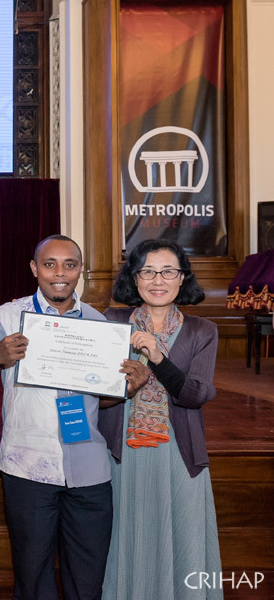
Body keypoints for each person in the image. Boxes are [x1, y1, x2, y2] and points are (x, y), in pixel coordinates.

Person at [0, 234, 113, 600]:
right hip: (28, 466)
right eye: (50, 264)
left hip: (89, 466)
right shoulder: (6, 317)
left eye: (70, 264)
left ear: (80, 270)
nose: (60, 273)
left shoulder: (100, 324)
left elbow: (106, 394)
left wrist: (131, 386)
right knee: (33, 577)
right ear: (35, 269)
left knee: (87, 578)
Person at [99, 239, 221, 599]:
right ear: (133, 279)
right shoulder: (112, 321)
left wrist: (157, 357)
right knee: (125, 534)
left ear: (182, 278)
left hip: (178, 453)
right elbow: (93, 387)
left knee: (183, 535)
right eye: (147, 271)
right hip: (121, 450)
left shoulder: (202, 330)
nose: (158, 279)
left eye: (168, 271)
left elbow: (195, 395)